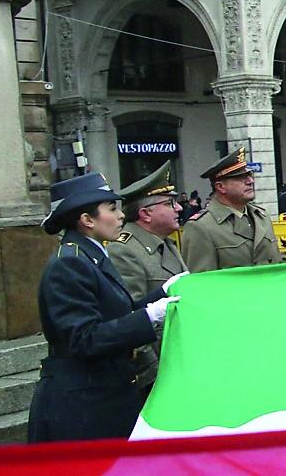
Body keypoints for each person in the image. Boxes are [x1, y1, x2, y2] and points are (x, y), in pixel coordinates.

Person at [28, 173, 182, 442]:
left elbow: (116, 314)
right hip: (83, 404)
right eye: (111, 209)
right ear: (87, 220)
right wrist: (149, 316)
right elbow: (84, 338)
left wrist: (162, 292)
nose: (121, 216)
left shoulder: (91, 255)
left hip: (103, 395)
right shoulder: (70, 262)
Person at [107, 162, 189, 395]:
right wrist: (152, 372)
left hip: (178, 357)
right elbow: (129, 317)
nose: (179, 209)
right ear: (145, 213)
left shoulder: (166, 242)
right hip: (158, 371)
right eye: (170, 204)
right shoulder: (125, 250)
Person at [182, 147, 282, 272]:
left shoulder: (262, 216)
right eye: (241, 177)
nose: (250, 181)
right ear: (220, 187)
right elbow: (201, 283)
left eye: (249, 175)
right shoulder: (201, 227)